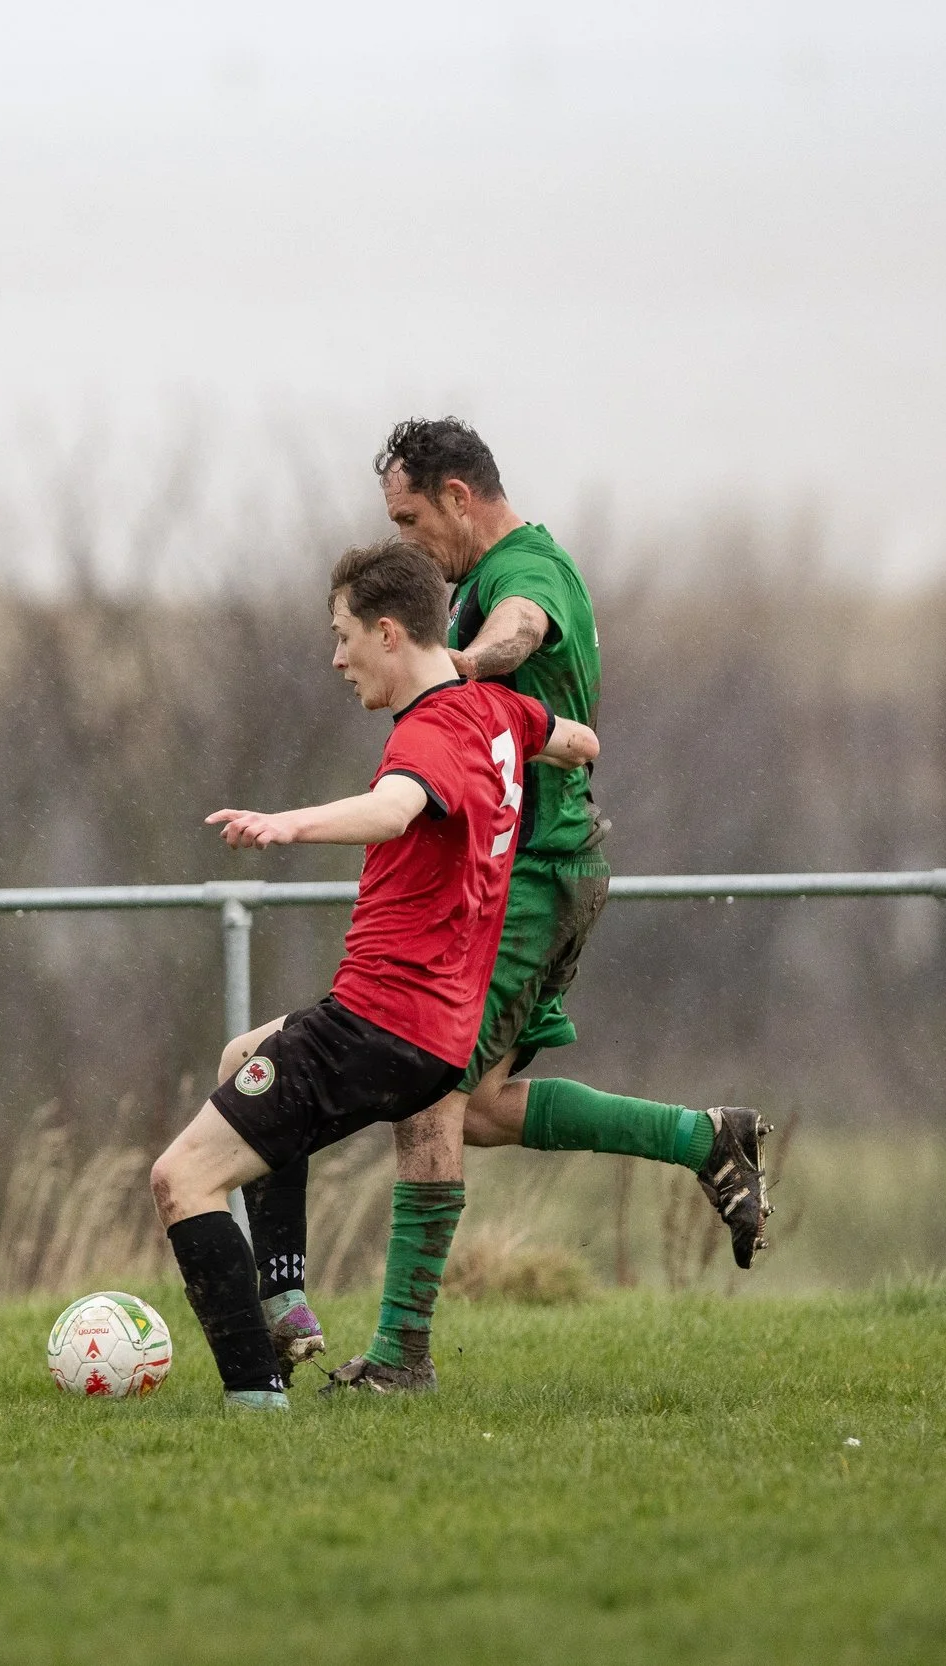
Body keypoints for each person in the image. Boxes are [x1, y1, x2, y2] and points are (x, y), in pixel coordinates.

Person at [246, 419, 771, 1396]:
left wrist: (458, 670)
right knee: (478, 1105)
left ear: (457, 494)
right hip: (525, 874)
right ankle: (707, 1139)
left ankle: (401, 1355)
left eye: (409, 518)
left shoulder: (525, 572)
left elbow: (523, 628)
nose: (407, 544)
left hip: (530, 876)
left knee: (430, 1094)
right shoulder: (486, 576)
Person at [150, 538, 599, 1410]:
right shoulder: (497, 713)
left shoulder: (431, 732)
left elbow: (396, 809)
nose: (336, 656)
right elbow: (575, 738)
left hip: (379, 1027)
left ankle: (255, 1403)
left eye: (343, 634)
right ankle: (285, 1302)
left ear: (389, 633)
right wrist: (573, 764)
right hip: (436, 1038)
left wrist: (288, 823)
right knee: (243, 1057)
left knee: (181, 1180)